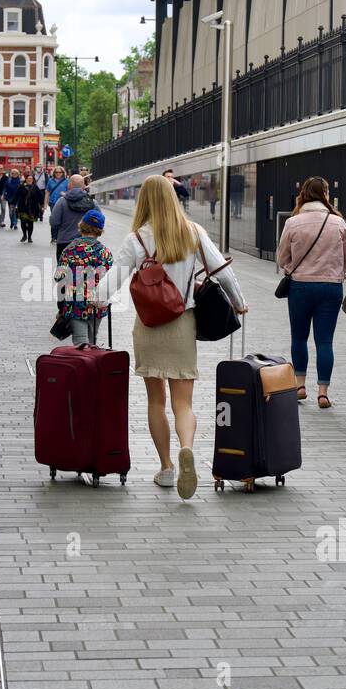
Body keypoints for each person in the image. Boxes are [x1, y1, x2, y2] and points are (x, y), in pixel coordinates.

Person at [96, 175, 247, 500]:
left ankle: (166, 468)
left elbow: (114, 280)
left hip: (149, 327)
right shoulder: (192, 232)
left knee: (155, 401)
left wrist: (95, 298)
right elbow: (221, 270)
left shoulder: (137, 238)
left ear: (144, 202)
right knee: (183, 403)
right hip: (183, 324)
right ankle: (187, 449)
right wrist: (238, 302)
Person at [274, 176, 346, 409]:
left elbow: (282, 258)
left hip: (300, 288)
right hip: (330, 288)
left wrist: (294, 268)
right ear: (325, 195)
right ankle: (323, 392)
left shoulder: (293, 223)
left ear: (303, 195)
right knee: (325, 341)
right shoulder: (338, 223)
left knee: (299, 338)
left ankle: (300, 385)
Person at [57, 208, 112, 346]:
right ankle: (91, 364)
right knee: (92, 340)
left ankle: (83, 364)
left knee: (80, 343)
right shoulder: (105, 252)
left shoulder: (69, 250)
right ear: (100, 230)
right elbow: (110, 280)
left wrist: (61, 307)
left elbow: (59, 277)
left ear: (82, 225)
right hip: (97, 303)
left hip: (75, 303)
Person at [49, 173, 97, 267]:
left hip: (65, 242)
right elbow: (100, 222)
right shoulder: (92, 203)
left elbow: (54, 222)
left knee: (64, 274)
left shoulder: (62, 201)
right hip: (87, 243)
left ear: (69, 185)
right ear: (83, 186)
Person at [16, 173, 44, 244]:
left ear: (33, 180)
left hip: (32, 208)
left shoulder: (35, 187)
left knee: (30, 223)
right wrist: (13, 204)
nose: (30, 180)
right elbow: (17, 195)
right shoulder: (21, 186)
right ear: (26, 179)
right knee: (23, 221)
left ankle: (29, 237)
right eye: (28, 179)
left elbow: (40, 196)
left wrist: (42, 204)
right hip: (23, 207)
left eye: (31, 179)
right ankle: (24, 235)